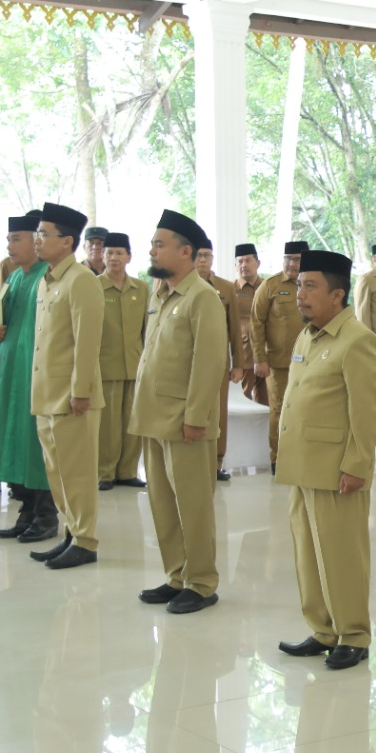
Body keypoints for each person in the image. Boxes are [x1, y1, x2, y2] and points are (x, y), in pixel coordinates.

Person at [275, 250, 376, 669]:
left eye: (310, 286)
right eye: (299, 285)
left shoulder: (357, 340)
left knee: (342, 555)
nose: (300, 294)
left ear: (337, 294)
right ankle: (323, 629)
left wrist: (357, 465)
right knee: (308, 554)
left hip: (336, 468)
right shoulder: (308, 336)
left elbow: (367, 411)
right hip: (302, 463)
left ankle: (353, 635)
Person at [133, 210, 230, 614]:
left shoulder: (202, 298)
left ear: (185, 251)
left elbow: (210, 363)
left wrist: (196, 417)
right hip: (153, 417)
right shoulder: (160, 294)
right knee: (162, 503)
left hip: (185, 422)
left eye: (160, 245)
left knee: (193, 506)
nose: (152, 250)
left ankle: (202, 583)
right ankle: (177, 576)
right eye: (153, 244)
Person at [29, 202, 105, 570]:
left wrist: (81, 391)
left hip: (73, 397)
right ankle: (72, 533)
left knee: (77, 474)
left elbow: (87, 342)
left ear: (67, 241)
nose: (37, 240)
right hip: (46, 395)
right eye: (37, 233)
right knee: (57, 473)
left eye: (44, 234)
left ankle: (86, 541)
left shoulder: (81, 280)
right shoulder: (47, 280)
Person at [0, 212, 55, 541]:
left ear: (35, 241)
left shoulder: (48, 278)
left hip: (34, 373)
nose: (10, 246)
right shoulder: (13, 278)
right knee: (12, 440)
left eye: (16, 239)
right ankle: (26, 510)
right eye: (9, 240)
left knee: (35, 444)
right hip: (10, 373)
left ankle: (46, 514)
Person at [96, 233, 147, 491]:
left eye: (119, 253)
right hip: (105, 366)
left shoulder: (141, 288)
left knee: (132, 421)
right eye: (109, 253)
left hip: (136, 365)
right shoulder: (94, 286)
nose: (114, 258)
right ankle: (105, 472)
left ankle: (127, 471)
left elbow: (148, 330)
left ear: (129, 257)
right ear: (102, 256)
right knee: (107, 425)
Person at [250, 241, 307, 471]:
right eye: (288, 259)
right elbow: (256, 323)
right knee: (280, 409)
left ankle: (301, 456)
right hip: (278, 363)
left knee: (306, 409)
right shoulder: (270, 286)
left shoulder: (312, 284)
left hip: (310, 363)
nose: (292, 264)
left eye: (297, 259)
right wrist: (259, 358)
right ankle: (278, 458)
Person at [197, 244, 247, 481]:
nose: (202, 260)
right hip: (188, 361)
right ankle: (194, 460)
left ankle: (216, 462)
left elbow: (235, 328)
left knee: (218, 412)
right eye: (198, 256)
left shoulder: (226, 288)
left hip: (219, 360)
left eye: (207, 256)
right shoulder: (181, 285)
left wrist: (238, 363)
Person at [234, 243, 269, 404]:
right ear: (235, 265)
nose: (244, 265)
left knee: (268, 403)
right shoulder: (230, 290)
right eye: (240, 261)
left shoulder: (268, 288)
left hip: (268, 353)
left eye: (248, 260)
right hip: (244, 354)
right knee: (243, 401)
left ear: (258, 263)